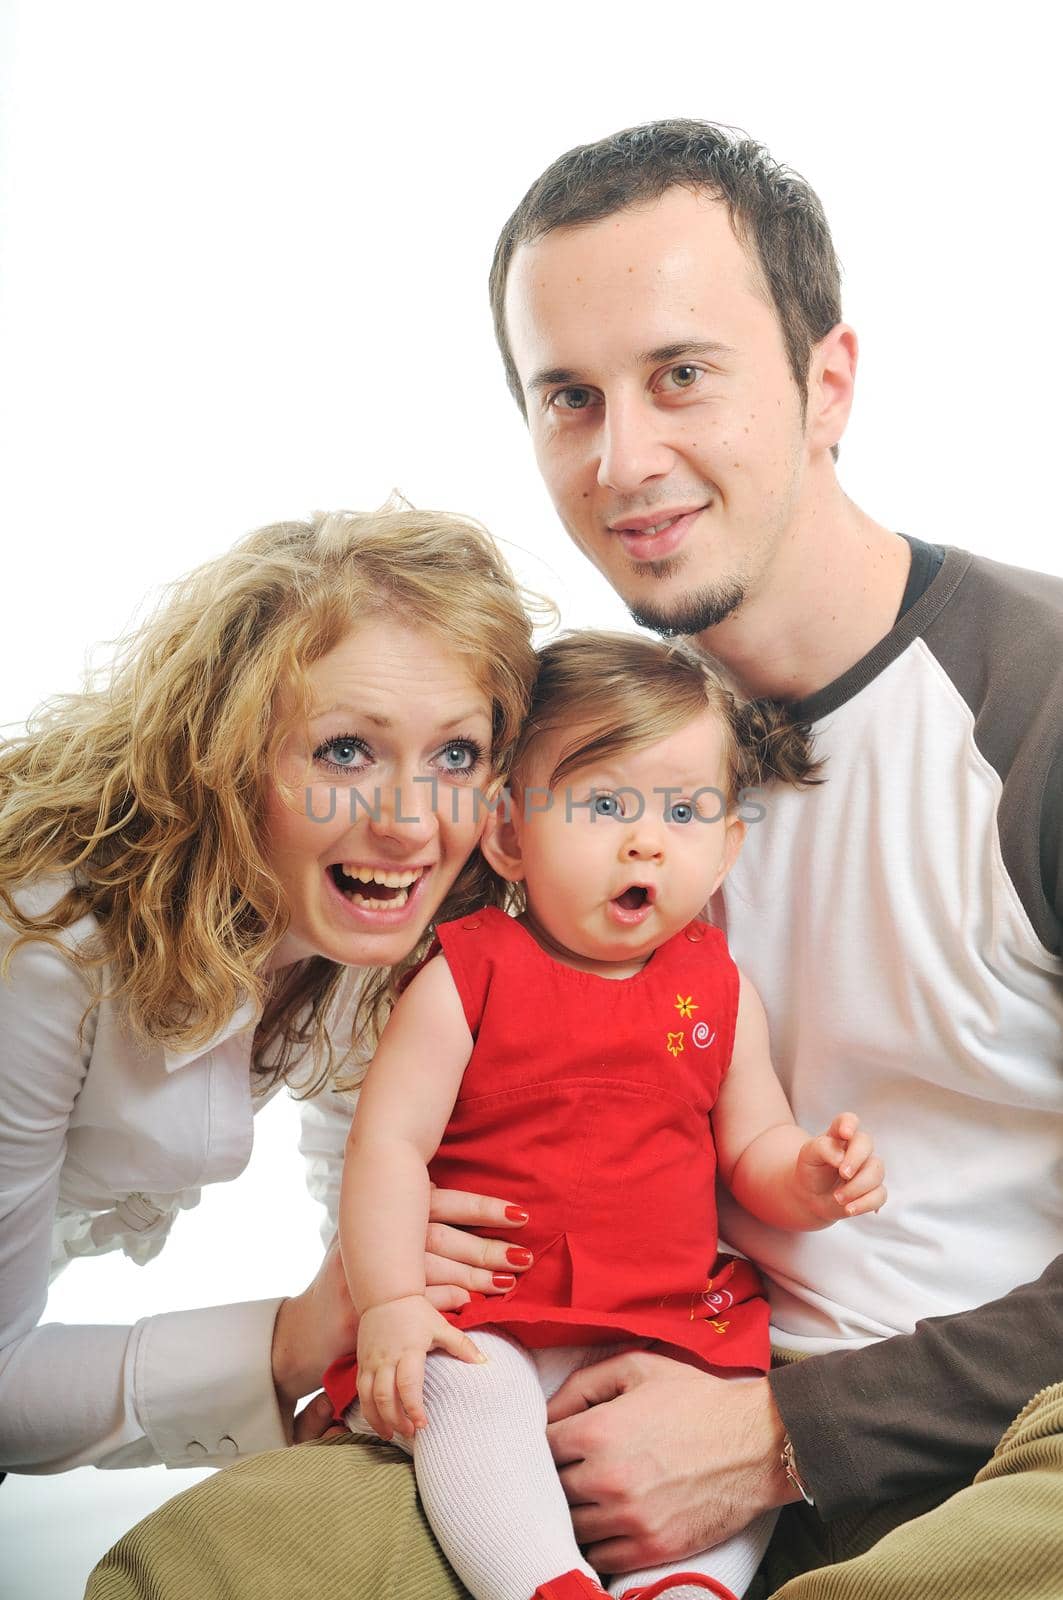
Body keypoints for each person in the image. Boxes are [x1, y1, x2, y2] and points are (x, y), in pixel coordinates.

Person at [87, 120, 1063, 1600]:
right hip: (577, 1390)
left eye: (680, 375)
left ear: (825, 382)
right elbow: (395, 1055)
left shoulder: (1032, 705)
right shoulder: (542, 747)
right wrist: (404, 1247)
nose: (621, 460)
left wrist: (789, 1433)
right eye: (567, 396)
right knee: (222, 1561)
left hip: (977, 1431)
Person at [330, 630, 884, 1600]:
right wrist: (389, 1300)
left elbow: (751, 1142)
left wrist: (809, 1178)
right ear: (507, 834)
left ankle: (687, 1585)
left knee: (725, 1428)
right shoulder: (470, 970)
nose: (645, 840)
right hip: (499, 1312)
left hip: (667, 1323)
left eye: (682, 810)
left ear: (727, 847)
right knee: (460, 1395)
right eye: (600, 806)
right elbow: (388, 1145)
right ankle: (542, 1582)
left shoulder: (717, 987)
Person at [0, 504, 547, 1475]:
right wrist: (292, 1341)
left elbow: (366, 1141)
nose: (411, 823)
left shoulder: (367, 925)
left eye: (455, 753)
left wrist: (382, 1342)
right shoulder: (39, 942)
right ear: (223, 748)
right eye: (346, 749)